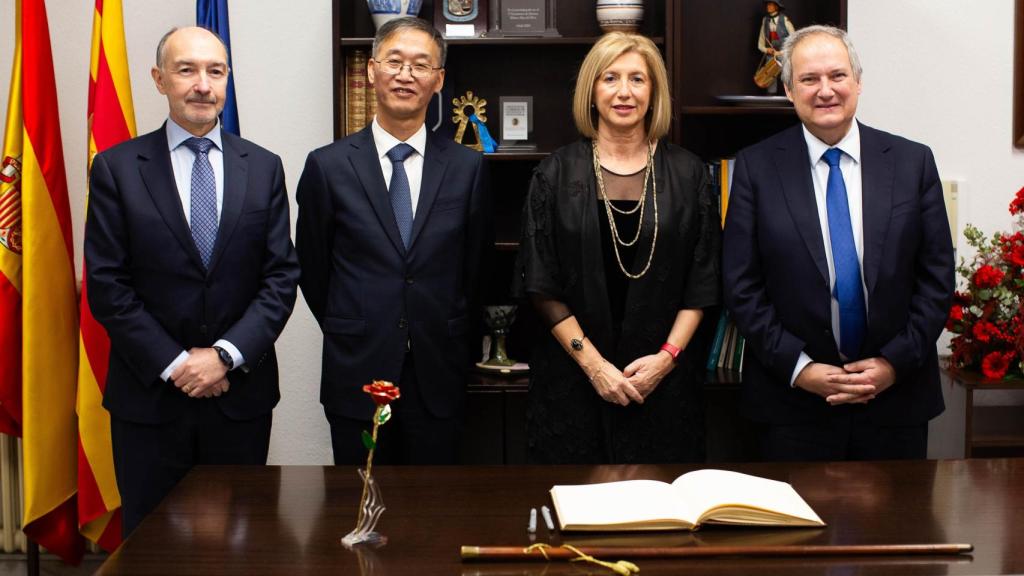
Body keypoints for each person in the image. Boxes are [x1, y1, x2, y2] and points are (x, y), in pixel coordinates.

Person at [85, 27, 300, 536]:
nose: (203, 84)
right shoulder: (117, 168)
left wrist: (224, 355)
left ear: (228, 80)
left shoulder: (264, 168)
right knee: (151, 544)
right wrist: (180, 365)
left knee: (243, 543)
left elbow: (280, 278)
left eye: (216, 71)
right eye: (187, 70)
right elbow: (108, 285)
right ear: (160, 80)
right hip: (150, 401)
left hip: (239, 398)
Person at [722, 25, 955, 461]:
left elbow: (937, 280)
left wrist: (891, 365)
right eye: (809, 79)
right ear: (789, 90)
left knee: (898, 529)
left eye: (837, 76)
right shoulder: (756, 167)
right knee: (792, 530)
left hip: (895, 402)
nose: (825, 90)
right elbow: (741, 286)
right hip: (792, 405)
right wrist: (801, 369)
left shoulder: (912, 162)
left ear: (858, 82)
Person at [515, 32, 720, 464]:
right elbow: (540, 283)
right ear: (592, 90)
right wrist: (594, 366)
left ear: (654, 92)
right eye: (611, 78)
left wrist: (666, 359)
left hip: (664, 387)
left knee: (660, 519)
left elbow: (702, 283)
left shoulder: (690, 174)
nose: (624, 92)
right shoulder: (554, 174)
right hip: (573, 383)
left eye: (637, 80)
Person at [296, 17, 489, 465]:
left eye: (421, 65)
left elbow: (475, 269)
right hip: (356, 368)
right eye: (394, 62)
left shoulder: (466, 168)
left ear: (438, 80)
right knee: (358, 511)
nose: (406, 75)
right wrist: (358, 323)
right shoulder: (328, 167)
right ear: (371, 71)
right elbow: (313, 267)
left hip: (438, 371)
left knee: (434, 512)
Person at [756, 1, 795, 94]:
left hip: (784, 54)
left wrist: (783, 52)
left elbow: (794, 39)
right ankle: (771, 98)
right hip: (771, 55)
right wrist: (766, 49)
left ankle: (791, 96)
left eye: (771, 4)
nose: (768, 6)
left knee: (787, 76)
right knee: (770, 77)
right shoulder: (765, 20)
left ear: (776, 6)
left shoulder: (784, 19)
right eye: (768, 4)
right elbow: (761, 42)